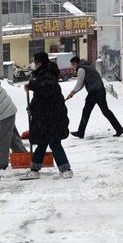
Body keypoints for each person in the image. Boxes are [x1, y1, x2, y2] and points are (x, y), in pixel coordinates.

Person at [22, 52, 72, 180]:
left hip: (53, 114)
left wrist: (31, 86)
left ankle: (65, 169)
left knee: (54, 141)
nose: (34, 64)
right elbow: (39, 96)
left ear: (40, 62)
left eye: (35, 61)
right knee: (43, 141)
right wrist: (31, 108)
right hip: (44, 114)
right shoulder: (40, 73)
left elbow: (46, 88)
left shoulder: (48, 72)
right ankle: (34, 168)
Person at [65, 56, 123, 138]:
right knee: (102, 111)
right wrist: (73, 93)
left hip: (94, 92)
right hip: (100, 90)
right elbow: (82, 83)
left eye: (72, 65)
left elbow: (79, 84)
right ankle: (119, 129)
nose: (72, 67)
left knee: (88, 111)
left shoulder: (81, 69)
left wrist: (72, 92)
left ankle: (80, 132)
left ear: (75, 63)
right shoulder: (88, 66)